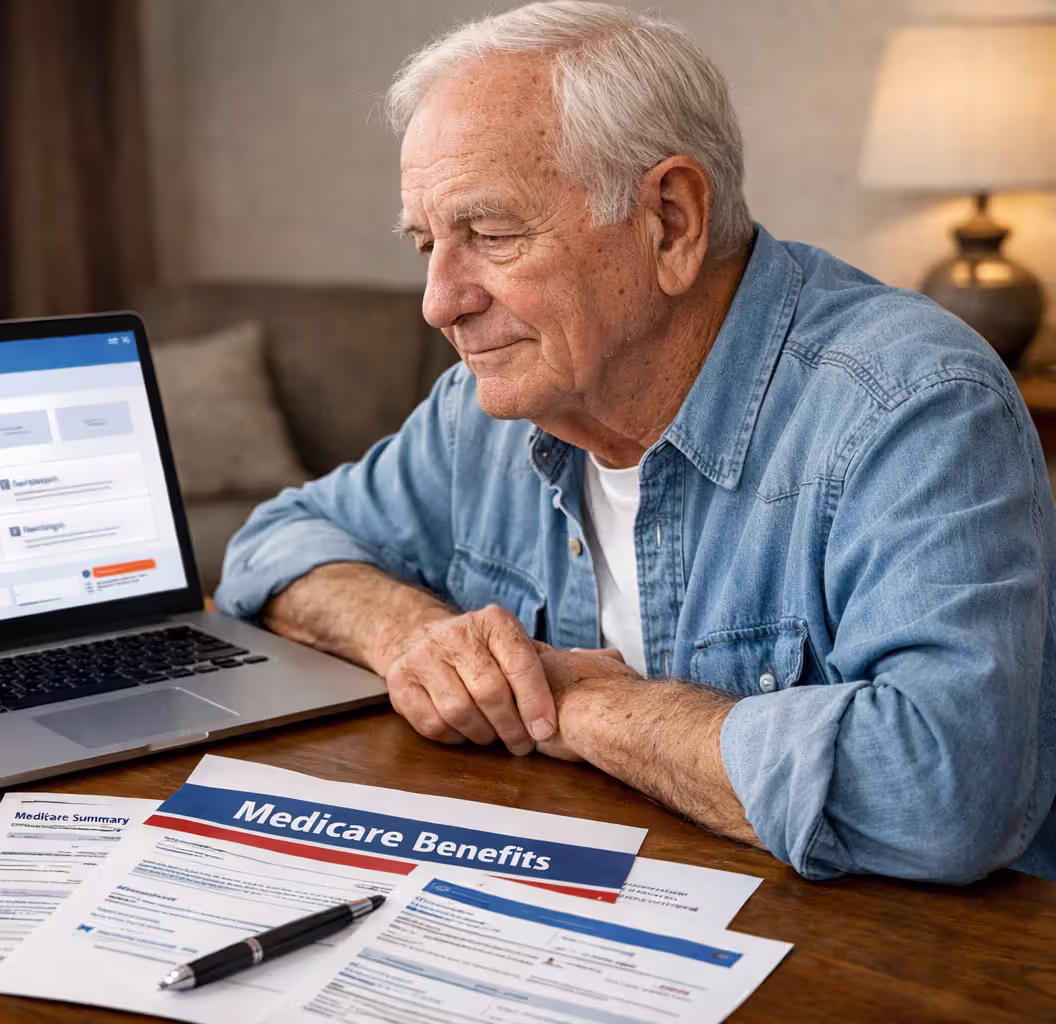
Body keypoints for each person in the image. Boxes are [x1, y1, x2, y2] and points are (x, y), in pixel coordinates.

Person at [215, 0, 1056, 884]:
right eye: (427, 245)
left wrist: (580, 704)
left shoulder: (915, 408)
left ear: (672, 222)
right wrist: (423, 640)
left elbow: (941, 792)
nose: (438, 301)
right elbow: (274, 548)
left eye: (491, 235)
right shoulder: (484, 410)